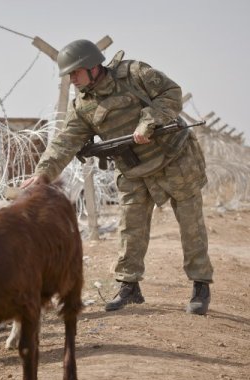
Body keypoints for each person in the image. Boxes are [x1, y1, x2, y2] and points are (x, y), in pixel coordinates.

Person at [21, 39, 213, 315]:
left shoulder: (134, 74)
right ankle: (129, 286)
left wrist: (148, 121)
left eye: (75, 72)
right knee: (130, 226)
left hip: (174, 158)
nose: (72, 79)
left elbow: (171, 93)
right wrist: (43, 174)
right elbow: (65, 142)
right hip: (134, 169)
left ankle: (200, 284)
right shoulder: (82, 106)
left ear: (92, 66)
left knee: (190, 223)